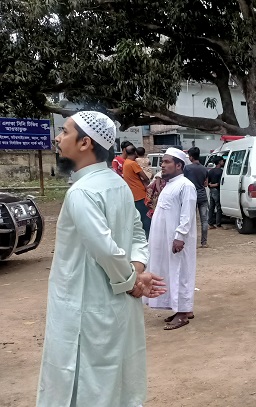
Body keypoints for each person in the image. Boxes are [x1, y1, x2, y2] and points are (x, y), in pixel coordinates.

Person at [37, 111, 166, 407]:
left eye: (65, 132)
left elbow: (106, 249)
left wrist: (132, 282)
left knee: (87, 385)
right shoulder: (115, 183)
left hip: (86, 309)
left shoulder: (82, 192)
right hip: (115, 307)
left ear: (85, 143)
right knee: (115, 383)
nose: (58, 138)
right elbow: (137, 236)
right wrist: (136, 269)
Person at [145, 148, 198, 330]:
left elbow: (187, 215)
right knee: (171, 272)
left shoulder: (186, 186)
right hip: (165, 239)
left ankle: (183, 314)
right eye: (162, 162)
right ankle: (181, 308)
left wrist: (180, 237)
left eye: (167, 162)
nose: (163, 165)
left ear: (179, 165)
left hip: (177, 241)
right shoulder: (169, 185)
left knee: (180, 273)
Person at [183, 146, 210, 248]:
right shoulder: (204, 169)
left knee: (190, 220)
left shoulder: (187, 168)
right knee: (204, 220)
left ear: (190, 157)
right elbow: (206, 184)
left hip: (191, 196)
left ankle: (190, 242)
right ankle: (204, 242)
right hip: (202, 196)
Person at [123, 146, 152, 238]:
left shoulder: (125, 163)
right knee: (146, 217)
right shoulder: (132, 164)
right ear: (135, 152)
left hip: (132, 194)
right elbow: (145, 177)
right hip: (140, 194)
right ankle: (148, 238)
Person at [207, 157, 224, 229]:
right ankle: (218, 224)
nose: (223, 162)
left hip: (211, 190)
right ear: (219, 162)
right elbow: (220, 183)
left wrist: (211, 185)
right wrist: (216, 185)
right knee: (218, 207)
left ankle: (210, 223)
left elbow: (208, 183)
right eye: (223, 161)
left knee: (211, 207)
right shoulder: (221, 172)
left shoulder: (211, 171)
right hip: (217, 190)